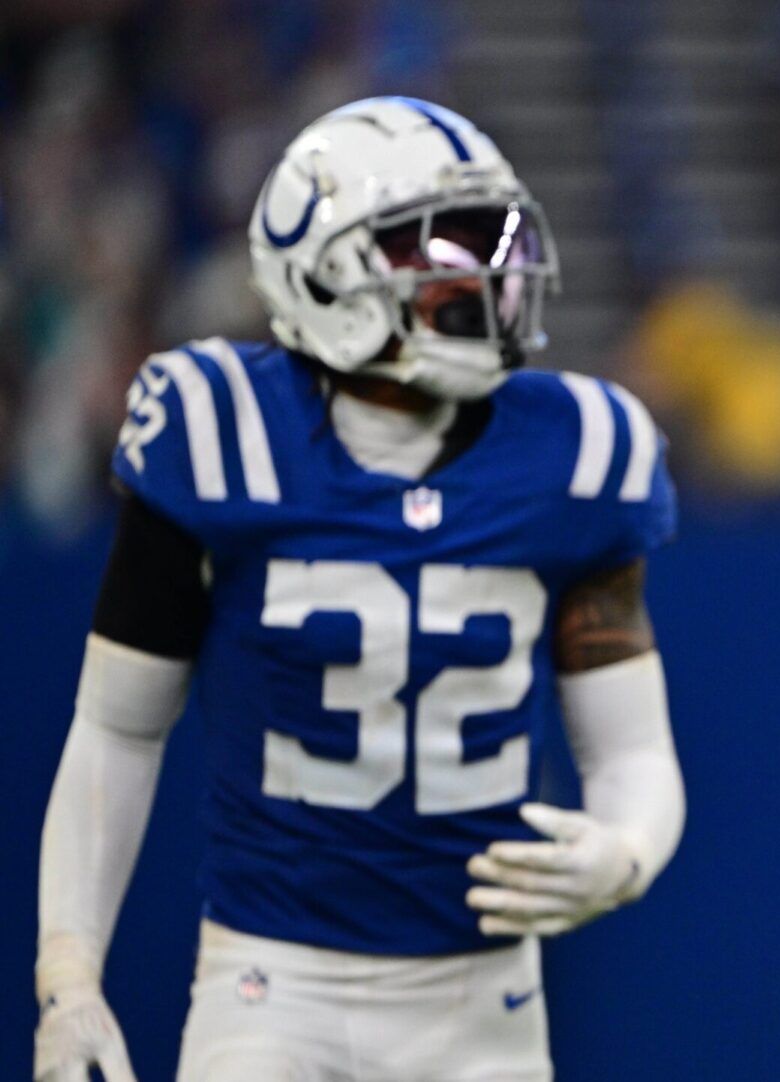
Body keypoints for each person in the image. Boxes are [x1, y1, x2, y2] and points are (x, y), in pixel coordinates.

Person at [32, 98, 685, 1082]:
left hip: (486, 999)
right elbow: (119, 725)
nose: (489, 275)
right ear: (329, 273)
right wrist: (68, 976)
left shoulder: (578, 448)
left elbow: (633, 744)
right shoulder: (222, 428)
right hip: (270, 985)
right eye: (444, 250)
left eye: (492, 241)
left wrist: (628, 848)